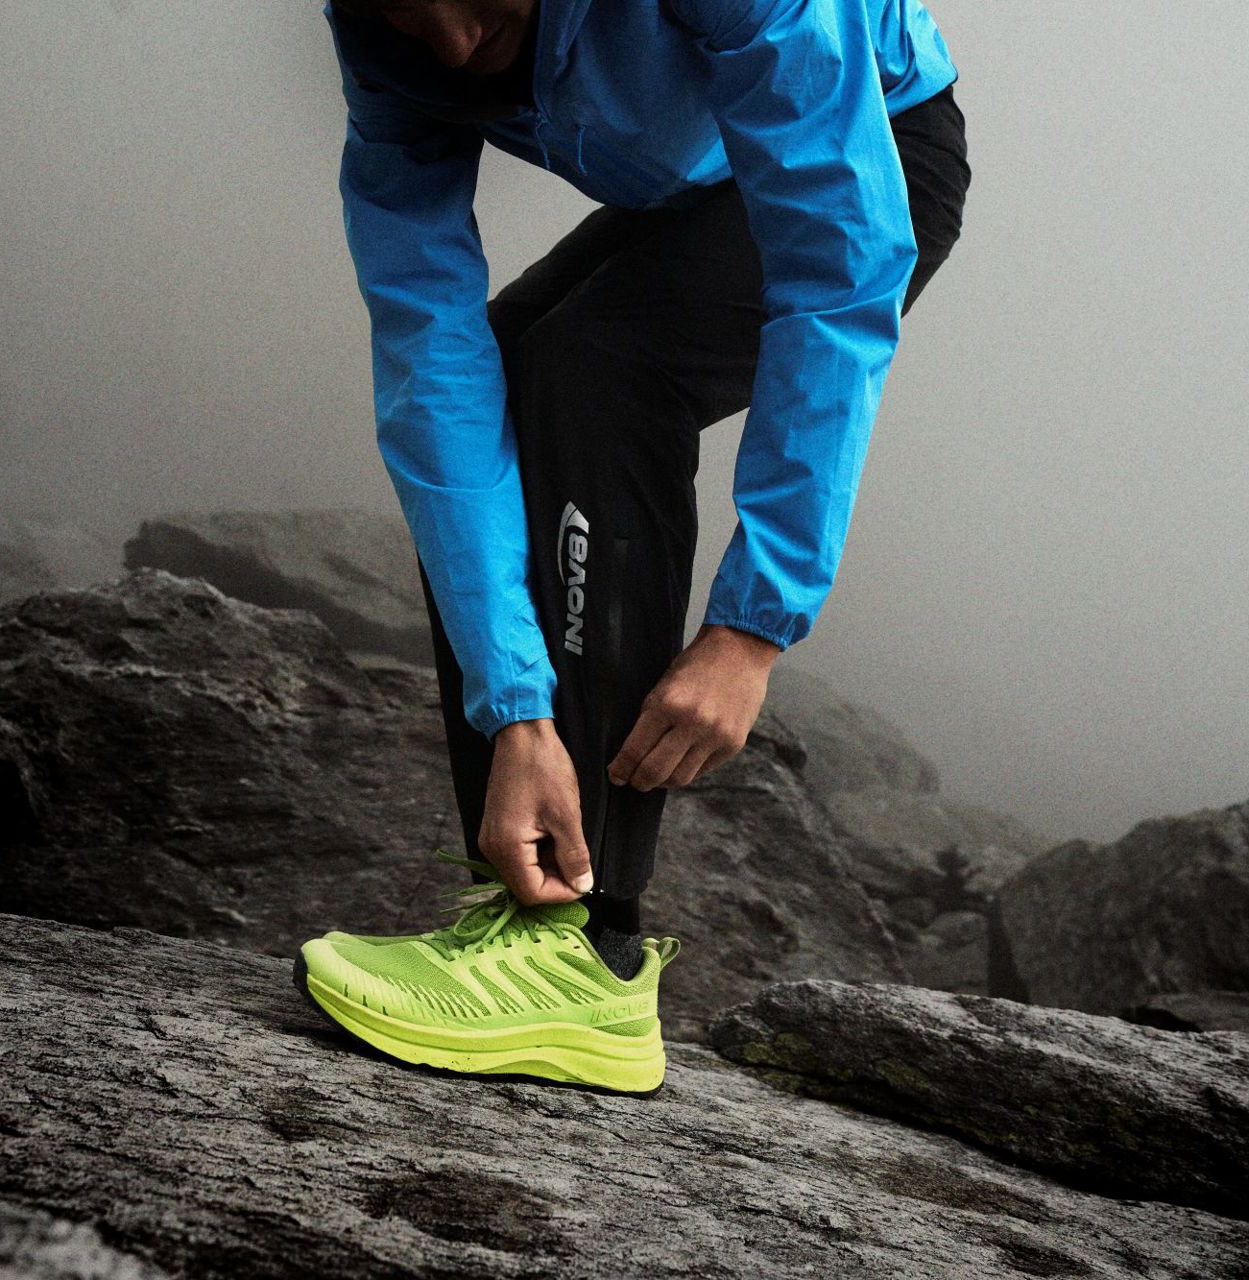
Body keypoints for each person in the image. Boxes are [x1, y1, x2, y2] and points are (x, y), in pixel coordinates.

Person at [296, 0, 970, 1093]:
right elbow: (434, 366)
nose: (454, 45)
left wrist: (752, 627)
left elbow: (838, 267)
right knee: (512, 360)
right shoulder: (386, 42)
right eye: (412, 14)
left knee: (600, 371)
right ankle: (528, 897)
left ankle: (590, 947)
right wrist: (515, 708)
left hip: (874, 142)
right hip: (706, 173)